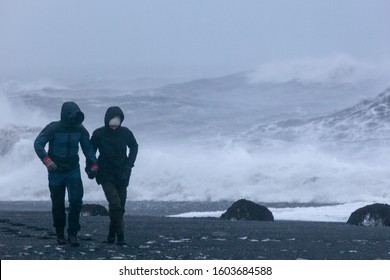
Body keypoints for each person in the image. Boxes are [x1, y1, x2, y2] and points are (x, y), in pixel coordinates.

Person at [34, 101, 98, 246]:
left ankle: (73, 233)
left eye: (77, 117)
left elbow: (88, 149)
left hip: (73, 169)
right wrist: (47, 161)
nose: (75, 120)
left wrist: (93, 164)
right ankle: (59, 232)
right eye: (73, 116)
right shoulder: (53, 128)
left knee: (76, 201)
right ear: (65, 115)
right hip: (55, 170)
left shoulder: (80, 130)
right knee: (58, 203)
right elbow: (38, 144)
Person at [86, 106, 138, 246]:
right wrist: (91, 168)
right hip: (105, 174)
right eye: (112, 122)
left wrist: (128, 165)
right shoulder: (99, 134)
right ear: (106, 120)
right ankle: (120, 236)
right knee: (114, 204)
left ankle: (111, 233)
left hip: (122, 174)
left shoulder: (125, 133)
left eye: (117, 122)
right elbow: (90, 152)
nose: (114, 125)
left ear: (121, 121)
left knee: (120, 207)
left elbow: (134, 147)